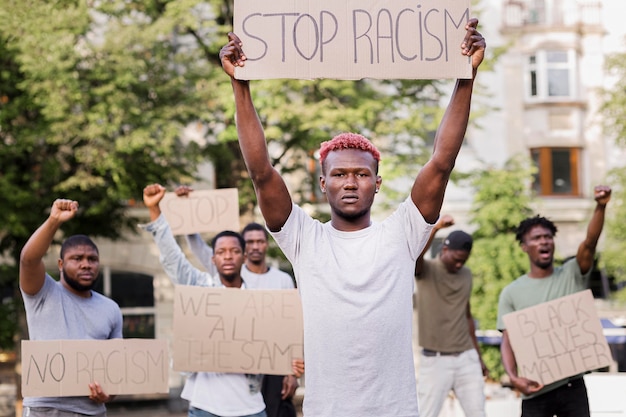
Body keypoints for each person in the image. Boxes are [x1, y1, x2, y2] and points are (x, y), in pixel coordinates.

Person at [219, 18, 486, 417]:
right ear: (323, 183)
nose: (350, 182)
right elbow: (261, 172)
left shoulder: (402, 234)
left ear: (377, 184)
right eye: (340, 174)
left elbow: (441, 162)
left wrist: (466, 76)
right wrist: (240, 83)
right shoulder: (304, 239)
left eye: (361, 174)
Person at [141, 183, 302, 417]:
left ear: (244, 257)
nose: (228, 256)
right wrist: (156, 211)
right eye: (221, 252)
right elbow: (172, 259)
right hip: (205, 406)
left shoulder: (259, 304)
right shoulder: (201, 289)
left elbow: (286, 342)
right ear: (213, 259)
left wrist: (292, 367)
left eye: (234, 251)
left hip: (251, 407)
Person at [496, 185, 612, 417]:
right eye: (537, 238)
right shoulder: (511, 292)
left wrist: (600, 206)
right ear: (524, 247)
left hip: (572, 387)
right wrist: (514, 377)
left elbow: (589, 242)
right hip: (535, 390)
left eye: (548, 237)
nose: (544, 242)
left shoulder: (572, 272)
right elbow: (508, 341)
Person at [19, 199, 123, 417]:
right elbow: (28, 260)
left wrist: (108, 395)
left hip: (92, 412)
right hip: (45, 410)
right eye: (77, 258)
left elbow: (116, 371)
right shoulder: (42, 292)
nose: (86, 264)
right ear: (60, 265)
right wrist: (54, 220)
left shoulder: (111, 309)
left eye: (92, 259)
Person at [414, 214, 488, 417]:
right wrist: (435, 228)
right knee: (426, 414)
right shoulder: (426, 270)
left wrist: (479, 357)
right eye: (456, 260)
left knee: (478, 413)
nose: (459, 265)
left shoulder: (466, 274)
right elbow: (416, 255)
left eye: (463, 261)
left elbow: (466, 316)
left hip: (466, 357)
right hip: (435, 360)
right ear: (444, 250)